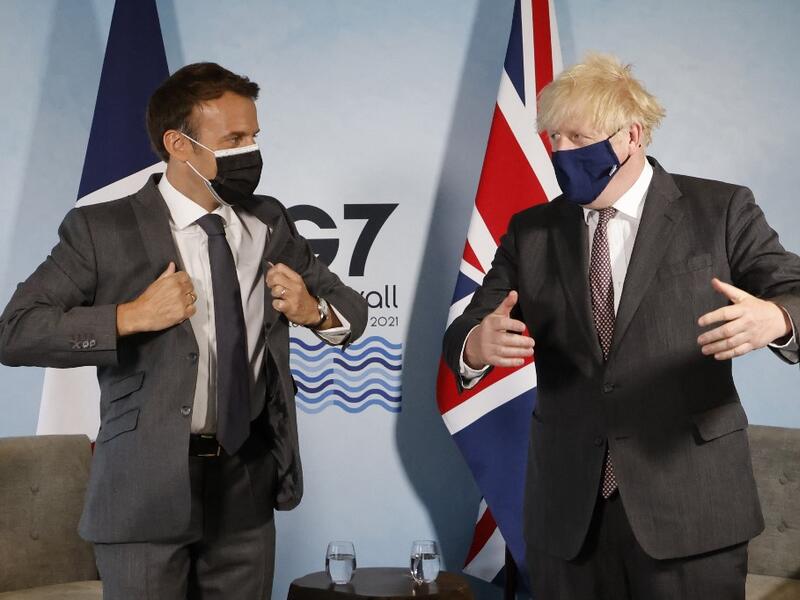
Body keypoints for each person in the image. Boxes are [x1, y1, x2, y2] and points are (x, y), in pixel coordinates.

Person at [0, 62, 367, 599]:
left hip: (246, 484)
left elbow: (351, 313)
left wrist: (314, 312)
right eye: (234, 138)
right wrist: (130, 317)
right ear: (179, 144)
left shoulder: (269, 221)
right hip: (142, 491)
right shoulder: (101, 230)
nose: (251, 153)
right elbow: (16, 331)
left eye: (254, 136)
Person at [443, 54, 800, 599]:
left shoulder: (721, 209)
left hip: (692, 514)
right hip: (568, 519)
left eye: (576, 136)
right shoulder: (531, 230)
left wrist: (775, 317)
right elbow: (471, 323)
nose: (561, 152)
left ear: (632, 135)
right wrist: (475, 343)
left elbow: (794, 289)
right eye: (553, 138)